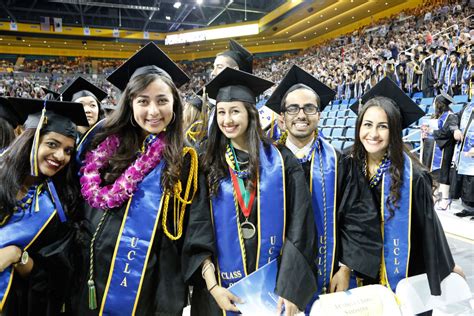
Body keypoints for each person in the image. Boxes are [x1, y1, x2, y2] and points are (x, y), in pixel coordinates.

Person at [71, 42, 210, 315]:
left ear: (174, 103)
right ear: (130, 103)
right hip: (89, 271)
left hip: (150, 282)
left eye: (162, 100)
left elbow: (190, 228)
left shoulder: (186, 159)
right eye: (143, 101)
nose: (153, 112)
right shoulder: (100, 144)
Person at [193, 67, 317, 316]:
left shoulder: (282, 162)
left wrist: (291, 287)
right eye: (221, 112)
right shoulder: (206, 163)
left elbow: (300, 226)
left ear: (250, 114)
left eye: (235, 111)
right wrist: (213, 287)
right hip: (220, 293)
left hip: (274, 293)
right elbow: (197, 228)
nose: (227, 120)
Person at [265, 65, 382, 312]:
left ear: (319, 114)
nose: (301, 115)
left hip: (329, 276)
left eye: (309, 108)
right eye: (293, 109)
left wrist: (346, 267)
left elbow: (357, 218)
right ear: (282, 116)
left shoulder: (339, 163)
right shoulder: (266, 162)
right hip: (273, 276)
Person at [349, 77, 463, 299]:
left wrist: (447, 266)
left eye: (383, 126)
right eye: (368, 125)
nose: (373, 134)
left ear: (395, 131)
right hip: (358, 273)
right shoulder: (347, 166)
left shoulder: (414, 177)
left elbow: (429, 230)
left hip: (403, 274)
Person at [0, 97, 87, 315]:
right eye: (52, 144)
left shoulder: (55, 206)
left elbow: (50, 278)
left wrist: (17, 255)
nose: (60, 156)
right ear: (30, 138)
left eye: (68, 150)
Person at [420, 92, 458, 210]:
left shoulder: (451, 116)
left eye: (435, 103)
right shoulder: (436, 115)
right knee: (431, 172)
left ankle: (445, 199)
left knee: (444, 173)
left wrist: (432, 132)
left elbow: (447, 133)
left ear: (440, 104)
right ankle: (435, 195)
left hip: (445, 149)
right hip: (432, 149)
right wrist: (425, 132)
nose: (434, 105)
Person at [450, 101, 474, 218]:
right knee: (465, 180)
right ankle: (469, 208)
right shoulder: (468, 107)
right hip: (464, 152)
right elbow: (454, 117)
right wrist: (455, 130)